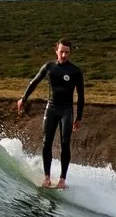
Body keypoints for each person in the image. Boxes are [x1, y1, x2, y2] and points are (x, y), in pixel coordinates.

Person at [16, 38, 85, 188]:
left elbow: (81, 96)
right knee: (46, 142)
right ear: (56, 51)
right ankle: (47, 178)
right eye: (61, 51)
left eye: (67, 52)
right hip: (52, 108)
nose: (64, 55)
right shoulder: (49, 67)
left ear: (70, 53)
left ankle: (62, 180)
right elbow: (34, 82)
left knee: (65, 143)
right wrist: (23, 99)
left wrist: (78, 117)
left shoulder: (75, 71)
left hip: (66, 110)